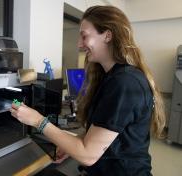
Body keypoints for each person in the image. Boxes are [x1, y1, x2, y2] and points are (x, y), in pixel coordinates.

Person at [10, 5, 166, 176]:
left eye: (84, 36)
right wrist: (72, 145)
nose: (79, 44)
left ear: (107, 35)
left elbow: (88, 155)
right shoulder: (113, 77)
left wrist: (38, 121)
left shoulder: (125, 83)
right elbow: (104, 135)